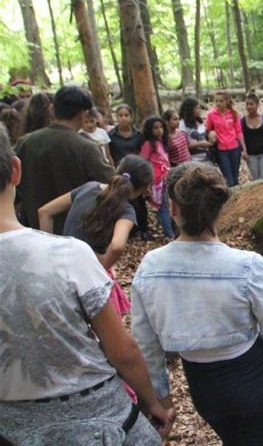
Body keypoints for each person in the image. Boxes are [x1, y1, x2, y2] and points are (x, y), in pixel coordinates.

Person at [0, 124, 174, 445]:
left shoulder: (88, 189)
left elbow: (44, 210)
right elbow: (124, 351)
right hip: (97, 415)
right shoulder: (71, 255)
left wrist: (50, 239)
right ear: (15, 170)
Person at [131, 162, 263, 445]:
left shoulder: (150, 267)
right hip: (254, 379)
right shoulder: (248, 266)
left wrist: (162, 397)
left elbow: (145, 343)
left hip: (203, 388)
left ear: (173, 208)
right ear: (219, 207)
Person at [37, 154, 153, 312]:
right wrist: (101, 269)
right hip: (87, 273)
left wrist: (51, 251)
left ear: (116, 170)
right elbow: (117, 246)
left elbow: (44, 212)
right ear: (143, 188)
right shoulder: (126, 210)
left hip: (61, 265)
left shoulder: (89, 187)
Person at [14, 85, 113, 233]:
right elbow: (111, 183)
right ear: (84, 114)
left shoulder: (25, 143)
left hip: (34, 230)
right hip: (78, 233)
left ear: (52, 109)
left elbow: (11, 184)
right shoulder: (86, 148)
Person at [109, 104, 150, 240]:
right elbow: (109, 154)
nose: (123, 118)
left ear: (131, 117)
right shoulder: (111, 136)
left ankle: (143, 228)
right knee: (123, 201)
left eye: (126, 115)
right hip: (120, 172)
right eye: (120, 115)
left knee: (139, 200)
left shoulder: (138, 135)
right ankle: (128, 230)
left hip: (136, 171)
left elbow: (143, 152)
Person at [140, 116, 176, 239]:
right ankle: (169, 234)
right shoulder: (148, 144)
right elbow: (143, 161)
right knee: (163, 206)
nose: (159, 130)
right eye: (155, 128)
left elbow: (166, 161)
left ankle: (170, 229)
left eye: (161, 127)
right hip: (156, 181)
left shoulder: (162, 143)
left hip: (165, 178)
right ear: (150, 130)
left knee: (167, 205)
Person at [205, 90, 247, 186]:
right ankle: (231, 197)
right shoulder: (211, 114)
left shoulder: (233, 113)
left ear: (227, 101)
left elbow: (239, 131)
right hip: (221, 150)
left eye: (221, 101)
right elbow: (208, 130)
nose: (218, 103)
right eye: (216, 101)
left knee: (235, 177)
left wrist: (244, 149)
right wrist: (211, 135)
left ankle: (238, 198)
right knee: (229, 179)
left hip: (235, 148)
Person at [241, 93, 263, 180]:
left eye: (251, 104)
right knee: (256, 180)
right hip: (251, 156)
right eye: (247, 104)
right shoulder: (242, 121)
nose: (249, 107)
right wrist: (243, 151)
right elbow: (240, 137)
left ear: (257, 105)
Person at [178, 97, 214, 162]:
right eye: (197, 108)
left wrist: (212, 137)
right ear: (190, 109)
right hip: (193, 160)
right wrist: (199, 144)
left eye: (199, 107)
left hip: (207, 158)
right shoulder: (182, 125)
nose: (200, 109)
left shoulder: (200, 122)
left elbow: (205, 137)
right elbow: (182, 146)